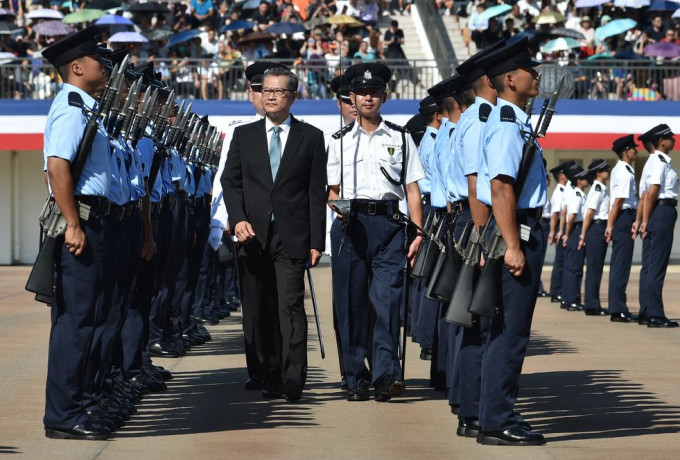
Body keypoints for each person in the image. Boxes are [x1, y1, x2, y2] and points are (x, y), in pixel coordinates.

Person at [222, 65, 328, 401]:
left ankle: (293, 376)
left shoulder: (310, 137)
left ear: (293, 97)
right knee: (261, 307)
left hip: (291, 237)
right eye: (266, 90)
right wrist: (237, 219)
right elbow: (231, 181)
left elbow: (316, 192)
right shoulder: (244, 136)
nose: (270, 96)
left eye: (279, 91)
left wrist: (316, 242)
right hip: (252, 237)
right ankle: (267, 372)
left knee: (291, 306)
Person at [327, 62, 425, 402]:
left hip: (389, 225)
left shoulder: (400, 137)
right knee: (351, 304)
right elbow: (332, 190)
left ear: (384, 95)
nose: (369, 98)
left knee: (388, 303)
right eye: (362, 93)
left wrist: (419, 232)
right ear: (351, 97)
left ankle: (387, 375)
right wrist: (338, 208)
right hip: (350, 225)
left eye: (375, 92)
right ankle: (355, 376)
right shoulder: (337, 141)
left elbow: (412, 189)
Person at [40, 26, 114, 441]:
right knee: (77, 323)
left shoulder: (87, 105)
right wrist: (72, 223)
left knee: (93, 318)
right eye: (97, 60)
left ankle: (81, 407)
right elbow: (58, 166)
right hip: (83, 222)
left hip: (95, 221)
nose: (104, 66)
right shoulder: (71, 105)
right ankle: (64, 416)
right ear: (76, 66)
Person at [474, 37, 547, 445]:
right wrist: (513, 245)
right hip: (515, 228)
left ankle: (499, 411)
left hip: (517, 226)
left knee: (505, 328)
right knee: (510, 330)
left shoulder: (513, 119)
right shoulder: (505, 124)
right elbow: (501, 188)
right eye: (529, 70)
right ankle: (496, 420)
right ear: (509, 79)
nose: (535, 75)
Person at [210, 61, 290, 391]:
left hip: (285, 232)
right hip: (249, 230)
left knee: (284, 302)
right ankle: (258, 366)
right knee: (255, 303)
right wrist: (224, 223)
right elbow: (225, 181)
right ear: (250, 94)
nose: (264, 97)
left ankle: (283, 367)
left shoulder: (293, 130)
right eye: (259, 90)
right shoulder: (239, 131)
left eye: (271, 90)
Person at [638, 124, 678, 328]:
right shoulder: (660, 162)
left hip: (654, 212)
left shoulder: (652, 162)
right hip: (661, 212)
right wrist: (645, 221)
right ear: (661, 141)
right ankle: (655, 314)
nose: (674, 139)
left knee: (649, 264)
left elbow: (644, 196)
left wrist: (642, 220)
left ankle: (646, 310)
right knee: (657, 265)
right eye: (670, 137)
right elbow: (651, 193)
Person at [606, 135, 640, 323]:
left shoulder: (622, 169)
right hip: (623, 219)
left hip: (623, 218)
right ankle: (618, 309)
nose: (637, 151)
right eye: (634, 149)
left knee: (619, 264)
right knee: (621, 265)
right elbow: (618, 202)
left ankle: (618, 307)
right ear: (626, 152)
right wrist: (611, 226)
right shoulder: (625, 172)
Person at [579, 159, 610, 316]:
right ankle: (592, 305)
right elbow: (589, 213)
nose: (608, 172)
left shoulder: (601, 188)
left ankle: (593, 303)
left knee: (596, 269)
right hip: (596, 228)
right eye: (605, 169)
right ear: (598, 172)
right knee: (594, 269)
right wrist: (583, 235)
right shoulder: (597, 189)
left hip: (599, 228)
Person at [560, 165, 589, 312]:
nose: (586, 180)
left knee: (571, 267)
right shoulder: (577, 195)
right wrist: (567, 233)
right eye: (583, 178)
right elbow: (571, 216)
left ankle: (567, 299)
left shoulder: (578, 194)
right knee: (574, 268)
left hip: (575, 230)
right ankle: (572, 300)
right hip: (576, 230)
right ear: (578, 181)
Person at [547, 161, 576, 303]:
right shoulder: (559, 191)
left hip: (563, 225)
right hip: (560, 225)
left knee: (564, 260)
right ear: (561, 176)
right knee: (560, 261)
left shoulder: (566, 189)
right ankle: (556, 291)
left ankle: (560, 290)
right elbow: (555, 214)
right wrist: (553, 231)